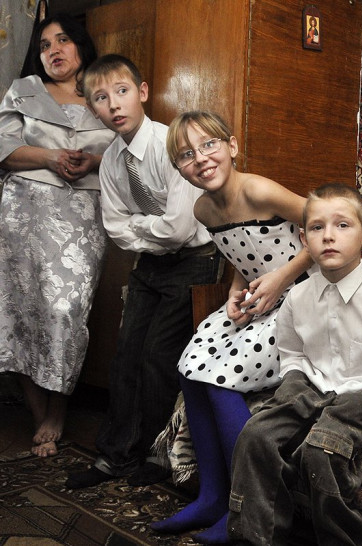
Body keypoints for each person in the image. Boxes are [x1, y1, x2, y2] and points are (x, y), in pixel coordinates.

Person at [226, 183, 362, 546]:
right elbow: (292, 353)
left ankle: (341, 539)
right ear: (304, 240)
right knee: (256, 435)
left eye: (342, 225)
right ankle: (256, 537)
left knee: (322, 449)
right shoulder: (297, 297)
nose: (328, 236)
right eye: (317, 227)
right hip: (312, 388)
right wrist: (294, 379)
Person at [147, 110, 314, 543]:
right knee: (190, 367)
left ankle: (249, 506)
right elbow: (240, 253)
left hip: (305, 297)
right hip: (261, 298)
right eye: (186, 154)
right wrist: (234, 293)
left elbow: (326, 224)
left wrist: (281, 278)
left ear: (232, 146)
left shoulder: (258, 189)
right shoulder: (204, 209)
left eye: (209, 145)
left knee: (220, 378)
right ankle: (211, 496)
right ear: (179, 168)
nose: (201, 158)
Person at [65, 55, 222, 489]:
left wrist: (141, 225)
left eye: (122, 91)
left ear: (143, 92)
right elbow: (116, 228)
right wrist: (150, 230)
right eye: (101, 98)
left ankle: (159, 455)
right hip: (149, 265)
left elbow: (179, 228)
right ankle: (115, 456)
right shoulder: (112, 161)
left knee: (158, 358)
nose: (114, 104)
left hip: (195, 260)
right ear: (93, 109)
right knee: (126, 357)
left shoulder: (172, 144)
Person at [0, 14, 115, 458]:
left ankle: (59, 406)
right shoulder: (24, 90)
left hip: (83, 214)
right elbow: (4, 149)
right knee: (18, 311)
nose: (53, 50)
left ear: (81, 45)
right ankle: (40, 413)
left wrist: (94, 162)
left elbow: (129, 150)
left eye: (63, 40)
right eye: (45, 44)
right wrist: (49, 157)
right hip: (22, 213)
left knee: (66, 310)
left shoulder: (104, 91)